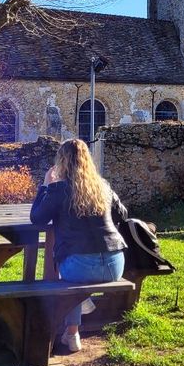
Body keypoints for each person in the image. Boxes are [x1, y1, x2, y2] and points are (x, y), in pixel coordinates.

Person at [30, 138, 129, 352]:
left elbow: (37, 218)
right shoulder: (102, 186)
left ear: (62, 162)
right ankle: (78, 317)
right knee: (77, 275)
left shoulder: (59, 189)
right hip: (115, 263)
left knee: (69, 276)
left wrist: (45, 186)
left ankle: (72, 333)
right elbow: (123, 213)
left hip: (80, 265)